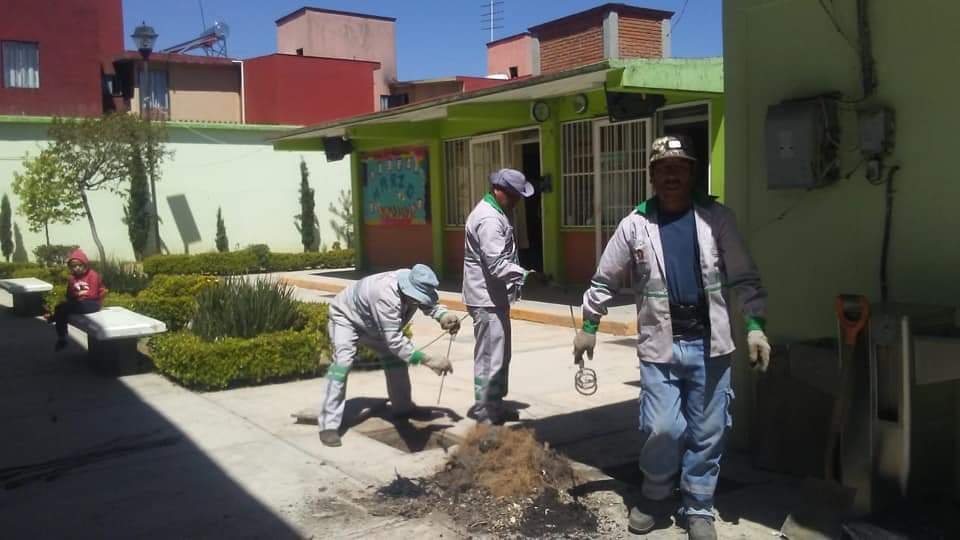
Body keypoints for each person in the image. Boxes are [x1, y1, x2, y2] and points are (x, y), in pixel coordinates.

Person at [573, 136, 770, 540]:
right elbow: (605, 278)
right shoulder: (635, 224)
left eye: (679, 167)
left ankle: (698, 506)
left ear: (692, 173)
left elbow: (745, 277)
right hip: (660, 346)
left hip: (710, 344)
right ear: (652, 176)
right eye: (663, 168)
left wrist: (754, 327)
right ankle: (656, 493)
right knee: (663, 427)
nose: (671, 175)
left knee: (708, 431)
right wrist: (589, 326)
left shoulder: (718, 219)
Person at [318, 264, 461, 447]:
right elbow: (395, 342)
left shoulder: (414, 282)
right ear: (407, 290)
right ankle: (328, 424)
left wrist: (443, 315)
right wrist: (429, 360)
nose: (418, 300)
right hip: (346, 318)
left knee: (395, 362)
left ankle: (403, 408)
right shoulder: (384, 295)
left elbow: (427, 304)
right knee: (341, 365)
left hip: (374, 322)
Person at [462, 168, 536, 425]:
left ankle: (495, 405)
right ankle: (486, 413)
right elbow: (496, 264)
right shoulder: (489, 220)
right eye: (514, 196)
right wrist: (525, 276)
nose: (517, 201)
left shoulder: (497, 213)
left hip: (494, 297)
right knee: (489, 358)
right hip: (485, 298)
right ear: (499, 191)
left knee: (500, 355)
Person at [49, 249, 106, 351]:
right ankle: (62, 337)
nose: (77, 268)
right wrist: (77, 296)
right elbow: (69, 294)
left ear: (85, 264)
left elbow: (92, 294)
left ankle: (54, 318)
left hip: (93, 303)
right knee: (60, 308)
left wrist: (78, 295)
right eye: (74, 266)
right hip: (79, 302)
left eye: (79, 265)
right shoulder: (72, 278)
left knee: (64, 309)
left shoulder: (93, 275)